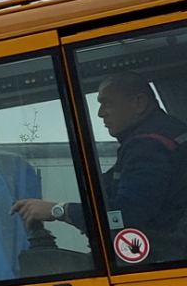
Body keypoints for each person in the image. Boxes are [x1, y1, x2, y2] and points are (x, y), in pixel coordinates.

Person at [12, 72, 187, 252]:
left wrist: (59, 211)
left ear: (139, 103)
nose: (100, 113)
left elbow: (126, 216)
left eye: (107, 103)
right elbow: (108, 191)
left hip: (162, 256)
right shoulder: (169, 136)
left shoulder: (149, 146)